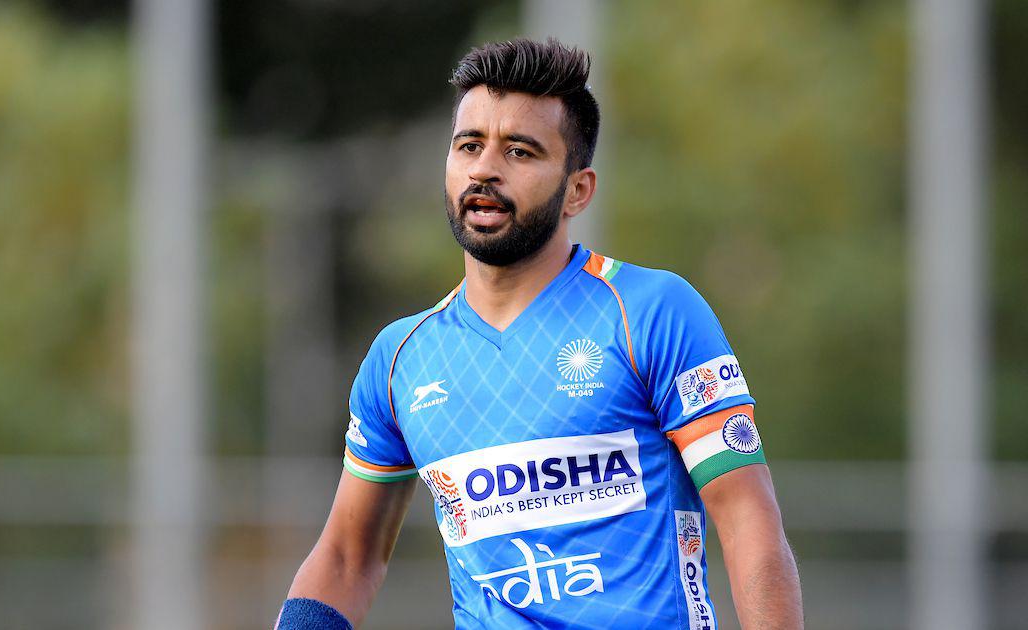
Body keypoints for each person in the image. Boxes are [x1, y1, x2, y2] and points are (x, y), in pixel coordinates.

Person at [277, 38, 803, 630]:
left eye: (520, 151)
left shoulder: (651, 311)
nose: (485, 169)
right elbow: (347, 558)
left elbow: (748, 523)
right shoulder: (400, 358)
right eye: (469, 145)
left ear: (578, 190)